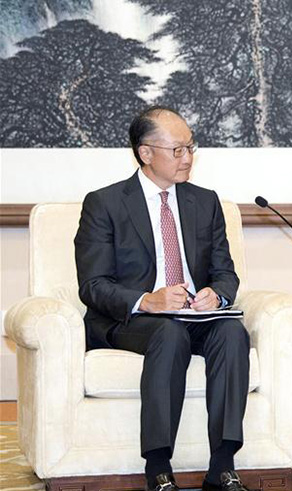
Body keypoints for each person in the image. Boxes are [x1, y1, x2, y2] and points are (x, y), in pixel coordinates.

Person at [75, 106, 250, 491]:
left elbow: (225, 272)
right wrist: (147, 300)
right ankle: (158, 468)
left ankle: (222, 465)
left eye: (191, 147)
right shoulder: (104, 203)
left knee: (233, 333)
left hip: (195, 317)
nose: (187, 157)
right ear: (145, 153)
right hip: (133, 320)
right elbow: (92, 285)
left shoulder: (205, 201)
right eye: (177, 150)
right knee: (169, 336)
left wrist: (217, 295)